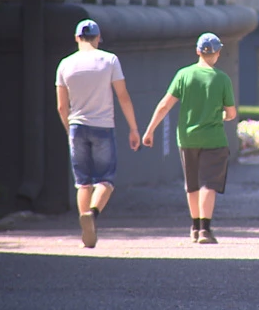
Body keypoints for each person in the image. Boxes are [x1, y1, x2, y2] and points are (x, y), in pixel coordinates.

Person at [142, 33, 237, 244]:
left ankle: (194, 227)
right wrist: (223, 115)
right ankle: (205, 229)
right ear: (218, 53)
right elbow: (231, 113)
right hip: (213, 139)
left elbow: (165, 105)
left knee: (192, 184)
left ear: (197, 51)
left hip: (187, 139)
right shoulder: (222, 79)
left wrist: (149, 131)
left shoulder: (183, 75)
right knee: (208, 184)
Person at [55, 19, 141, 249]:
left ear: (76, 38)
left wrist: (69, 129)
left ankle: (85, 228)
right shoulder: (109, 60)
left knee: (83, 183)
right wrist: (133, 128)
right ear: (98, 38)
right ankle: (92, 215)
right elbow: (122, 96)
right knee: (105, 180)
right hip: (103, 126)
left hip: (76, 126)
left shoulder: (65, 64)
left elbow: (62, 107)